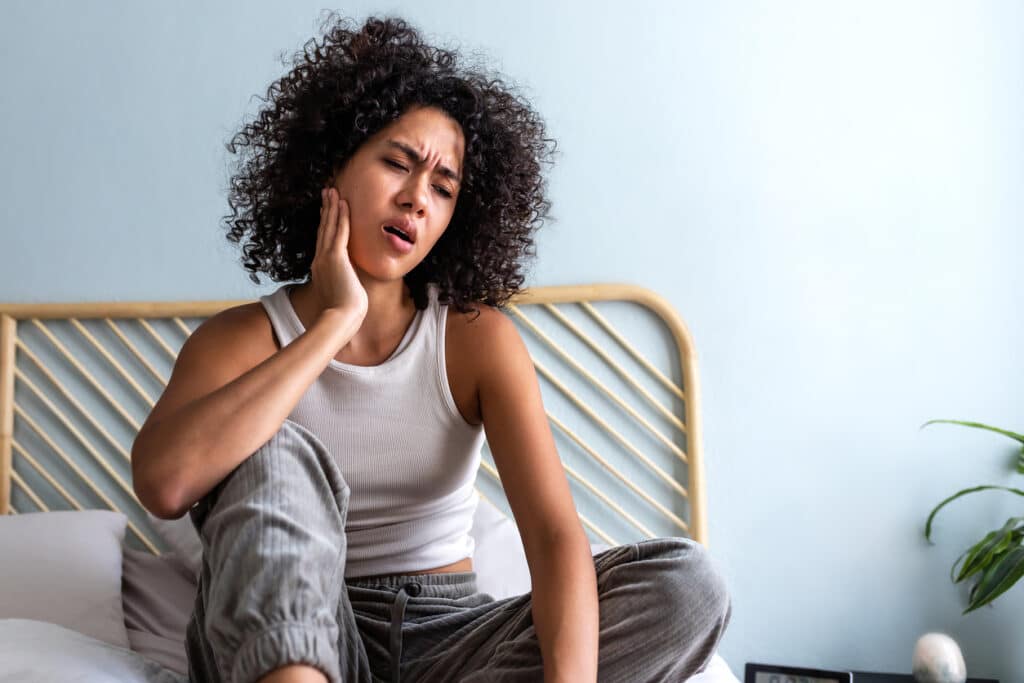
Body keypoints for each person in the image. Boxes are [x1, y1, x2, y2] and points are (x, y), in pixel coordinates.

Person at [131, 13, 731, 683]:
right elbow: (164, 483)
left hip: (449, 639)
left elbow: (556, 538)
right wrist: (333, 321)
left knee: (688, 584)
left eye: (443, 188)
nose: (417, 199)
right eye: (397, 162)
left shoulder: (474, 339)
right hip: (296, 635)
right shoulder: (239, 338)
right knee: (274, 451)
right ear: (332, 162)